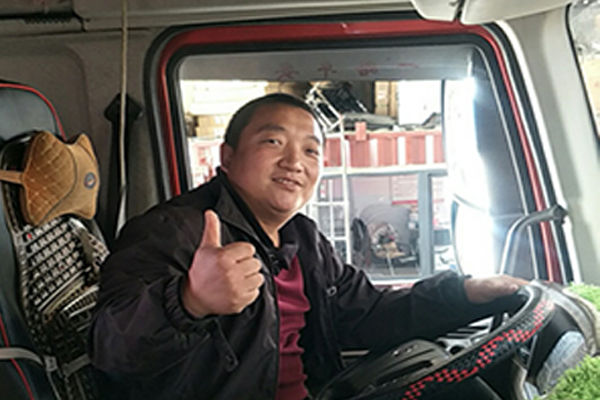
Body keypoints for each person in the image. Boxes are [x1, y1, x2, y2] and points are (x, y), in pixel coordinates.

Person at [89, 93, 526, 400]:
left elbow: (368, 314)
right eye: (273, 142)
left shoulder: (303, 240)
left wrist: (465, 294)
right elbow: (112, 349)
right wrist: (189, 302)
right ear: (227, 157)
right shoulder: (172, 230)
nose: (294, 162)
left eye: (311, 151)